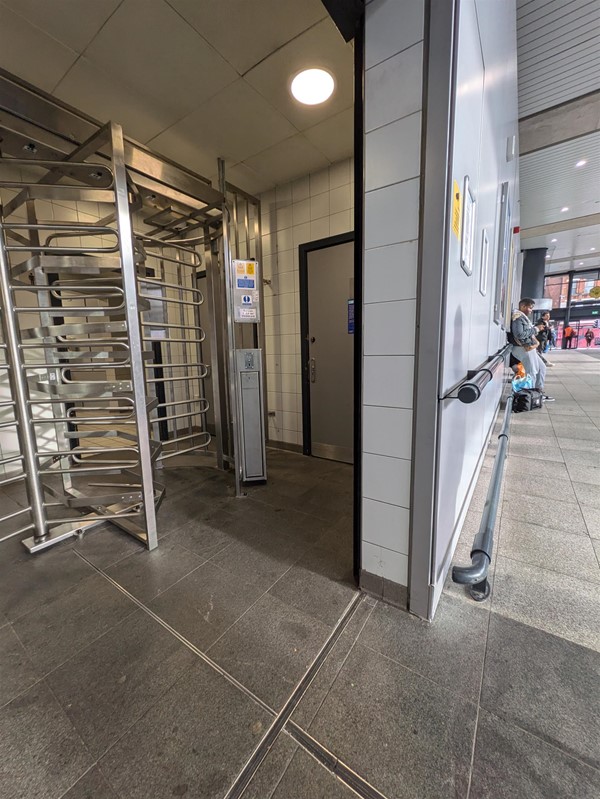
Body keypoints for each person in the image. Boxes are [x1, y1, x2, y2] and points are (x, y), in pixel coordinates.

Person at [509, 298, 554, 401]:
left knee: (542, 368)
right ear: (523, 306)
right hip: (522, 348)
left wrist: (535, 329)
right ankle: (530, 397)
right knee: (532, 371)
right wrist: (535, 329)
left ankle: (538, 393)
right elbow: (519, 334)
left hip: (528, 348)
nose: (531, 310)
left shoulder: (522, 317)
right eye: (530, 308)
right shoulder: (518, 317)